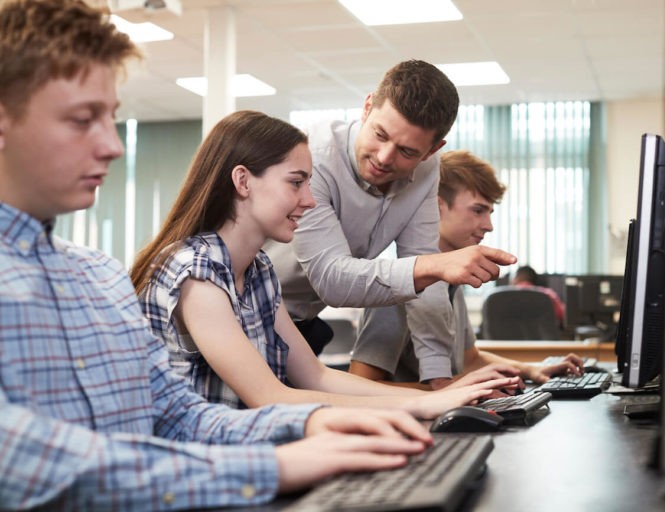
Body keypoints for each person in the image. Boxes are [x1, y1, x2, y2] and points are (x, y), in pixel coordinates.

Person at [0, 1, 447, 508]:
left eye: (112, 119)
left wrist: (322, 421)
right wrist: (285, 462)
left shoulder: (101, 278)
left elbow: (180, 415)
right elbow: (36, 465)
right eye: (83, 120)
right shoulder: (188, 268)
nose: (113, 146)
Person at [130, 110, 518, 420]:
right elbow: (269, 397)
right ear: (243, 182)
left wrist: (443, 394)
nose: (310, 201)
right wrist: (421, 404)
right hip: (197, 468)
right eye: (296, 183)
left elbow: (315, 376)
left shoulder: (259, 270)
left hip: (243, 449)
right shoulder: (197, 271)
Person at [264, 60, 517, 390]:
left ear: (432, 150)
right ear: (367, 107)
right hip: (246, 314)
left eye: (407, 151)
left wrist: (440, 382)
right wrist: (435, 265)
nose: (384, 157)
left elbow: (426, 282)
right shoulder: (316, 159)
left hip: (300, 325)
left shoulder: (427, 172)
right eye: (380, 135)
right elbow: (332, 280)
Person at [349, 150, 583, 385]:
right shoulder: (398, 286)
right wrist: (450, 391)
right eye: (478, 210)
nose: (489, 226)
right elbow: (361, 386)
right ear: (436, 207)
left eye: (490, 213)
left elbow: (470, 359)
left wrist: (531, 370)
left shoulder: (451, 283)